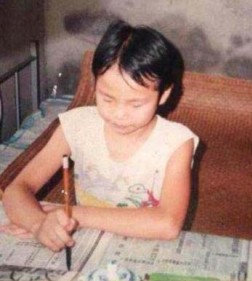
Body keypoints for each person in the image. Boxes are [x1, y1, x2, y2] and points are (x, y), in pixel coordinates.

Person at [2, 20, 199, 252]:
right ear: (94, 85)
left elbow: (168, 224)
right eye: (107, 98)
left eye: (136, 104)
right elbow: (16, 190)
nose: (119, 114)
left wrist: (72, 214)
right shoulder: (76, 126)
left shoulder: (176, 142)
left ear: (164, 95)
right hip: (88, 242)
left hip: (146, 245)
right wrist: (38, 224)